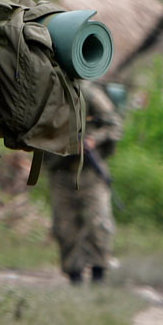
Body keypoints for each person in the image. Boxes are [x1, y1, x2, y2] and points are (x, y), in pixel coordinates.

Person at [45, 80, 123, 285]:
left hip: (89, 172)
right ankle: (75, 277)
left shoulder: (88, 93)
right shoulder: (45, 93)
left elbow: (114, 124)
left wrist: (92, 140)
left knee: (98, 224)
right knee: (65, 227)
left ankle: (99, 275)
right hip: (61, 171)